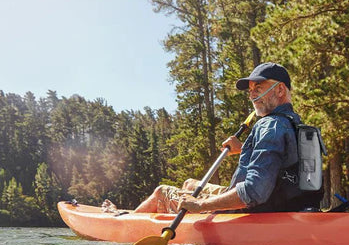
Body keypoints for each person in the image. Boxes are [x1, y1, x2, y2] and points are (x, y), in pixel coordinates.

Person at [135, 62, 320, 214]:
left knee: (161, 192)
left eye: (258, 88)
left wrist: (200, 205)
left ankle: (122, 221)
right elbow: (283, 161)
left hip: (248, 209)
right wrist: (243, 149)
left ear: (280, 90)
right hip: (282, 202)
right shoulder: (295, 123)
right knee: (189, 184)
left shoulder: (269, 125)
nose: (252, 95)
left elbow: (254, 192)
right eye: (250, 90)